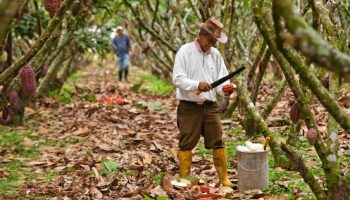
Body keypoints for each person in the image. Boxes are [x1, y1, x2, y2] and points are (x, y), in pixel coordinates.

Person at [172, 18, 235, 187]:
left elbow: (221, 82)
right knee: (186, 142)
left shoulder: (215, 54)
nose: (212, 44)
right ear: (201, 35)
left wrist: (226, 89)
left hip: (210, 106)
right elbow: (177, 79)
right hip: (189, 106)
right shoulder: (185, 51)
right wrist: (196, 85)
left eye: (215, 41)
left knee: (218, 141)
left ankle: (224, 179)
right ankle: (185, 178)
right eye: (210, 40)